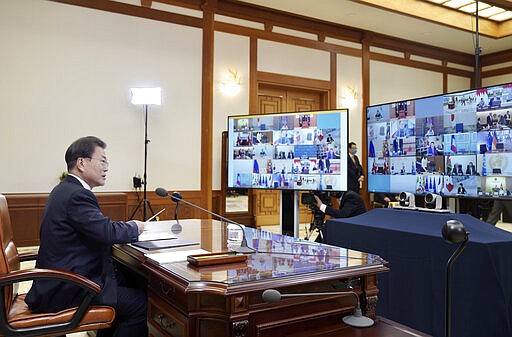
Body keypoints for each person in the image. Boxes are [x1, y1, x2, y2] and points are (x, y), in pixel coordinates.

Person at [25, 136, 148, 337]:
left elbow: (97, 228)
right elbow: (106, 231)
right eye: (103, 161)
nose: (107, 167)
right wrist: (135, 227)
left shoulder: (64, 189)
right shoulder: (77, 195)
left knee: (127, 281)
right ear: (82, 162)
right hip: (69, 288)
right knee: (140, 304)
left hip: (59, 281)